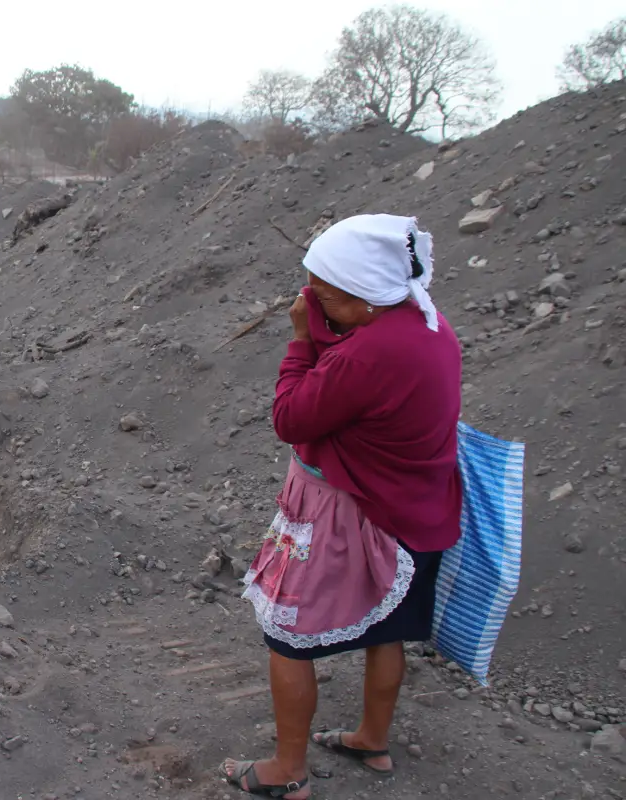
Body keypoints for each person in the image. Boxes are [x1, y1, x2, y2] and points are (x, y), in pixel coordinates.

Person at [221, 214, 463, 798]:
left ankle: (288, 771)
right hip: (417, 514)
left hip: (351, 519)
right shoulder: (428, 325)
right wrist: (326, 315)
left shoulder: (368, 354)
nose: (317, 305)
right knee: (388, 631)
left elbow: (291, 418)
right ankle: (371, 739)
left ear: (371, 297)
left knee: (286, 636)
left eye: (327, 295)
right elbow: (354, 365)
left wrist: (302, 340)